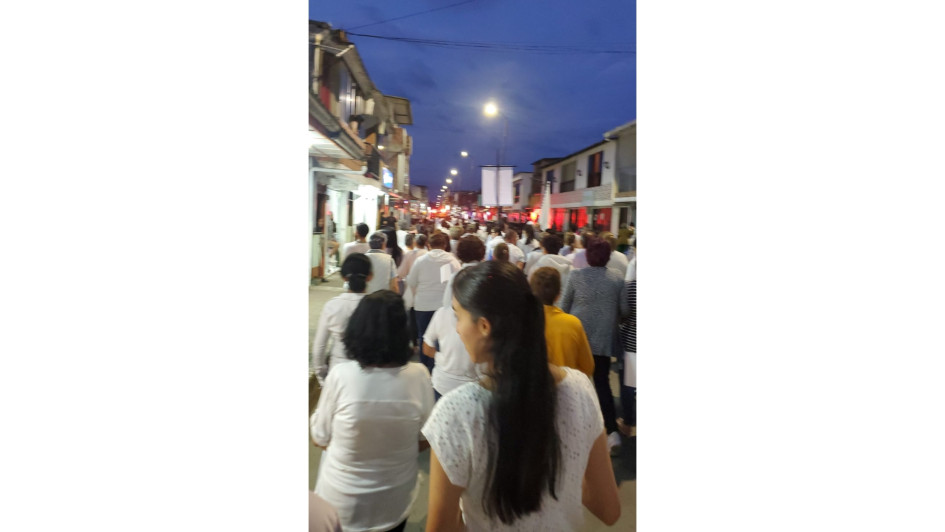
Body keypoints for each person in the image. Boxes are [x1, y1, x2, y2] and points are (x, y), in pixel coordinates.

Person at [422, 262, 621, 530]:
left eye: (458, 316)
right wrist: (563, 480)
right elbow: (609, 509)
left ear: (484, 326)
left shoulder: (455, 414)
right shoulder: (580, 388)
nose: (457, 328)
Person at [311, 291, 435, 532]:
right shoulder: (419, 376)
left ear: (357, 329)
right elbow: (424, 439)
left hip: (342, 504)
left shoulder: (341, 376)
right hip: (395, 503)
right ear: (403, 332)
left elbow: (320, 438)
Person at [560, 238, 629, 456]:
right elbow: (625, 310)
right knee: (602, 383)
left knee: (574, 383)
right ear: (608, 256)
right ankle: (612, 432)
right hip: (603, 339)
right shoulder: (617, 279)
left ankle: (574, 429)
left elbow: (563, 307)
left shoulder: (575, 276)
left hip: (578, 338)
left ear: (588, 255)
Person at [310, 253, 371, 385]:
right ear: (370, 276)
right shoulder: (377, 306)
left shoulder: (332, 306)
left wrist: (322, 376)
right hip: (369, 374)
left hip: (338, 372)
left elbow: (319, 347)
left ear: (343, 277)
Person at [406, 232, 461, 373]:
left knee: (423, 336)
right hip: (442, 306)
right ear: (444, 245)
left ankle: (425, 368)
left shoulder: (420, 261)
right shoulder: (451, 261)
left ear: (429, 245)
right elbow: (448, 282)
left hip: (422, 305)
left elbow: (411, 282)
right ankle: (437, 366)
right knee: (440, 338)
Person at [529, 267, 594, 378]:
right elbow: (588, 367)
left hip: (529, 387)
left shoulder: (520, 322)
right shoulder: (573, 324)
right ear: (558, 295)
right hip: (566, 385)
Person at [617, 278, 636, 438]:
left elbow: (623, 312)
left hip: (632, 340)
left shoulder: (631, 287)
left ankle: (628, 423)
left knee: (629, 385)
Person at [528, 234, 574, 299]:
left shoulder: (537, 267)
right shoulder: (569, 266)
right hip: (564, 302)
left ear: (544, 249)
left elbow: (532, 287)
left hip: (543, 303)